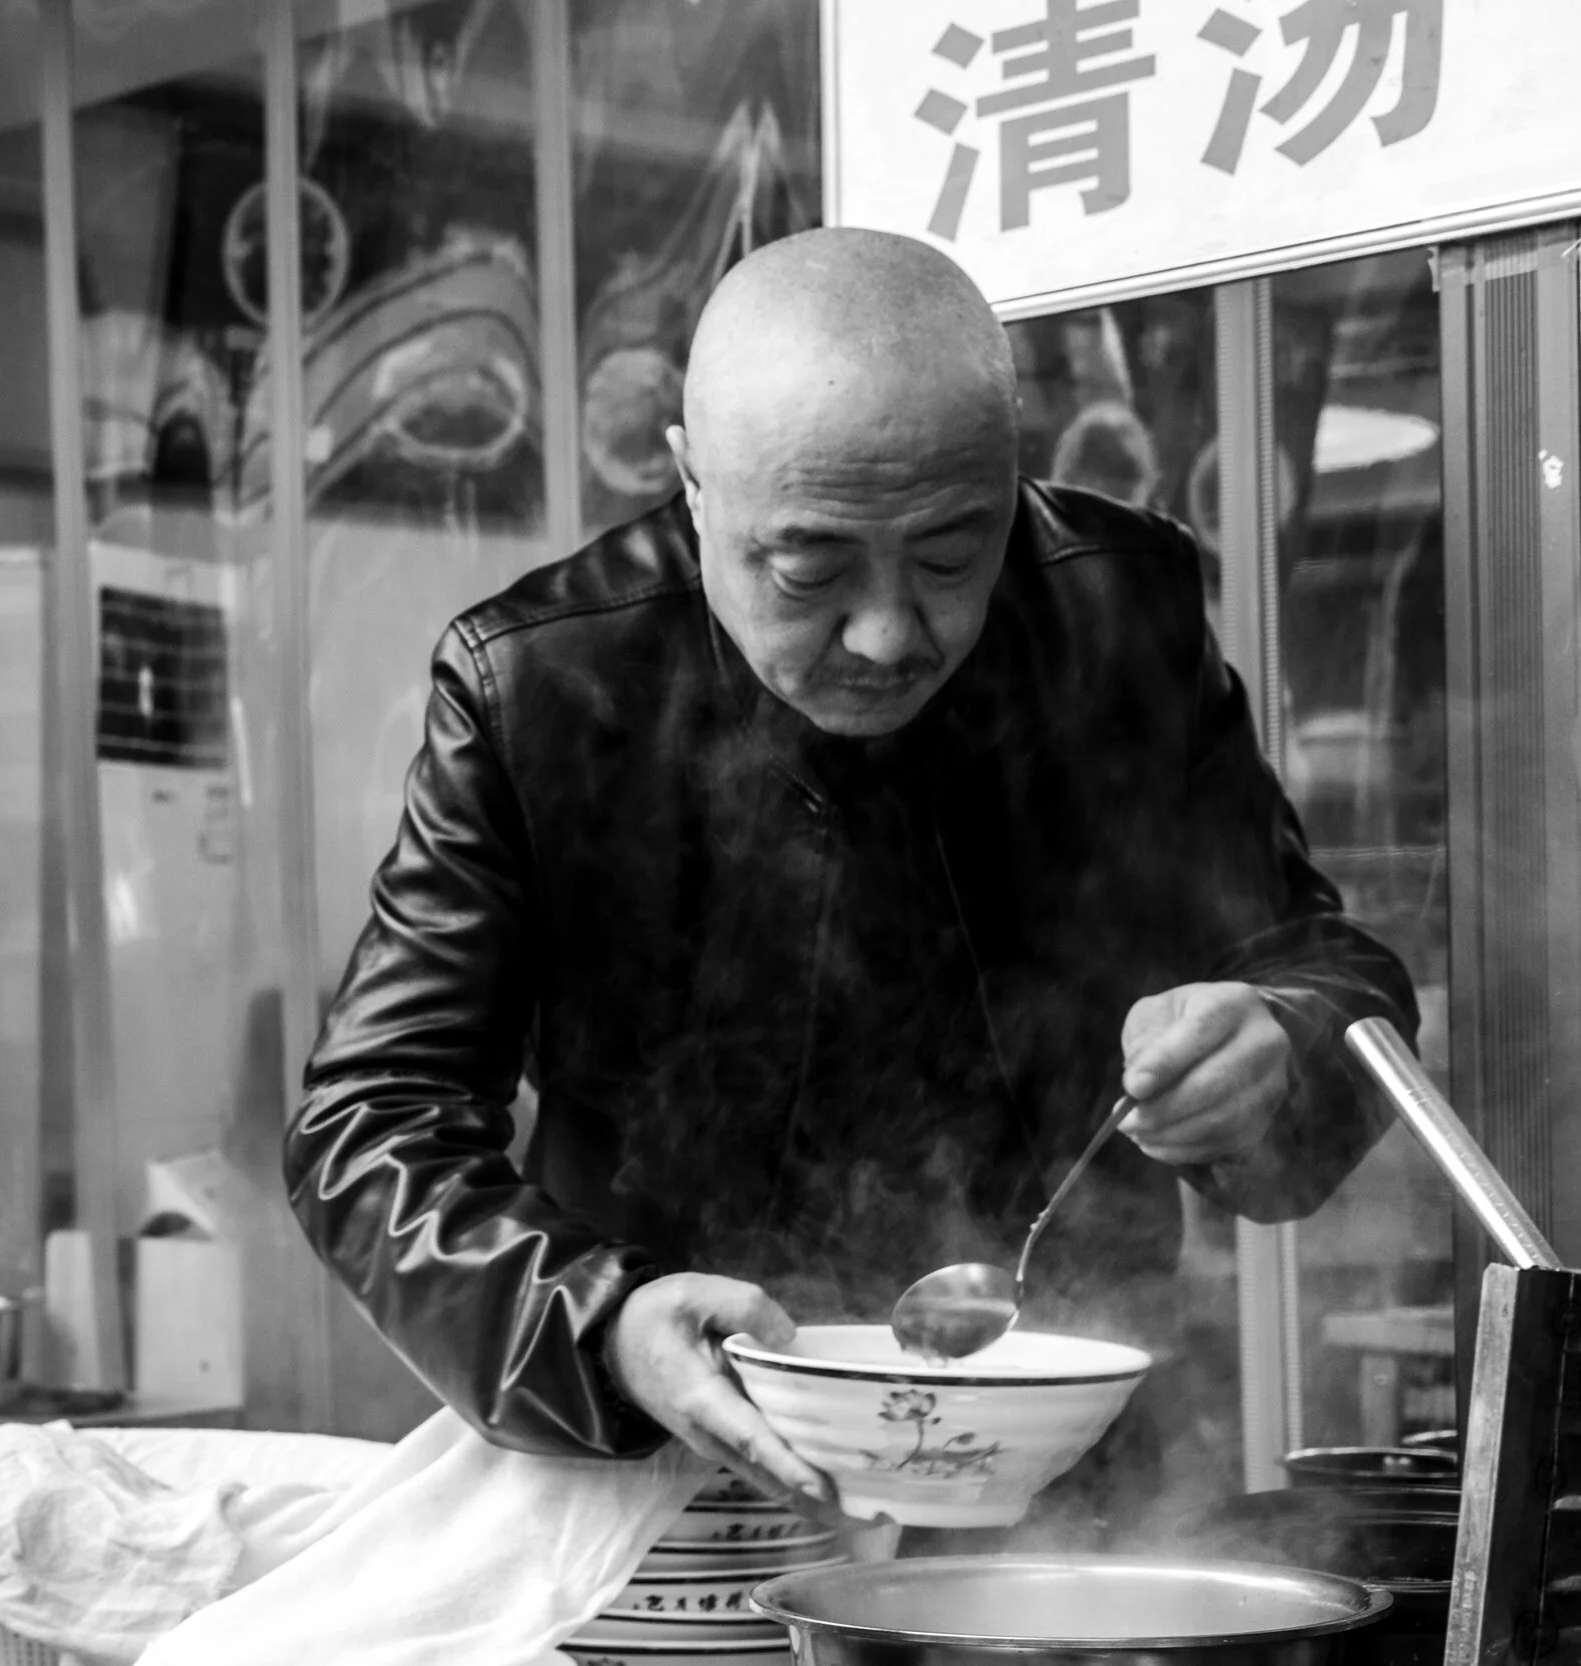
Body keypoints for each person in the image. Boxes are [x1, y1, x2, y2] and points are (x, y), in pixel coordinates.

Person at [287, 228, 1417, 1537]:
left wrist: (1278, 1040)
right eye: (811, 570)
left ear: (1012, 478)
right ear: (693, 489)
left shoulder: (1120, 610)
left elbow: (1323, 963)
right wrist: (602, 1321)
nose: (889, 634)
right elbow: (369, 1122)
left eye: (951, 556)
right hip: (678, 1461)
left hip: (1079, 1464)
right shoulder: (541, 686)